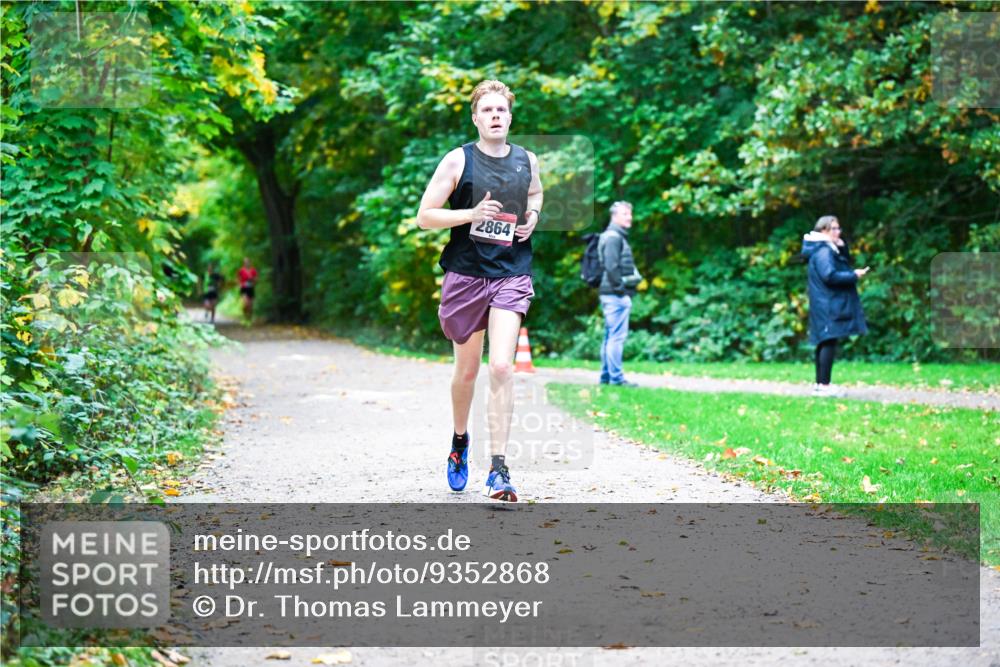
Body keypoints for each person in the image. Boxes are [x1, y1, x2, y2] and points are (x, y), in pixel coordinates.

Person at [416, 79, 543, 502]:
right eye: (487, 110)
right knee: (467, 372)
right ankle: (459, 441)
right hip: (467, 274)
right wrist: (470, 214)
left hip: (511, 271)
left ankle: (499, 470)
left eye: (501, 110)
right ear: (475, 118)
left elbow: (536, 193)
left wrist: (534, 216)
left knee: (502, 367)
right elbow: (425, 216)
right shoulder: (458, 160)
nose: (495, 116)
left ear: (510, 116)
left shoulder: (527, 160)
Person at [801, 215, 869, 397]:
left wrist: (842, 246)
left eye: (839, 228)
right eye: (834, 229)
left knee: (826, 341)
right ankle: (824, 385)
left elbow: (842, 263)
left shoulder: (825, 248)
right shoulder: (823, 251)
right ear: (823, 230)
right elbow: (829, 275)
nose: (838, 232)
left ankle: (820, 384)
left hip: (825, 303)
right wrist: (854, 276)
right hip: (828, 303)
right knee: (828, 342)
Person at [597, 201, 642, 387]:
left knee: (610, 336)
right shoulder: (613, 237)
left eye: (630, 213)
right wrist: (621, 291)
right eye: (625, 214)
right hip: (614, 294)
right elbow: (611, 267)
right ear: (614, 216)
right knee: (616, 337)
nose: (629, 217)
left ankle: (606, 376)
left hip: (609, 292)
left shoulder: (613, 235)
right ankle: (616, 378)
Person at [237, 257, 258, 322]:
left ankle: (249, 319)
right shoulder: (241, 270)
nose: (247, 263)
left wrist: (253, 279)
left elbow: (256, 279)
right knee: (245, 304)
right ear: (244, 263)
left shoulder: (253, 270)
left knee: (250, 306)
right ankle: (245, 317)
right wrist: (240, 284)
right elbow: (238, 279)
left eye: (248, 262)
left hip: (251, 288)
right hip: (244, 288)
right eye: (245, 262)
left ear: (250, 262)